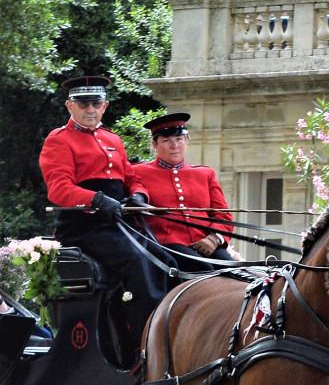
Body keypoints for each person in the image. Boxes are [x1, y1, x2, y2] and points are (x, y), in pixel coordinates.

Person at [38, 76, 169, 348]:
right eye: (83, 103)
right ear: (69, 106)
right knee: (137, 261)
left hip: (120, 221)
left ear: (105, 106)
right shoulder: (59, 139)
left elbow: (131, 177)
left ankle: (170, 327)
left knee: (165, 259)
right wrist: (97, 199)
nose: (90, 109)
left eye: (95, 103)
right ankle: (145, 343)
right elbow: (59, 189)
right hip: (84, 226)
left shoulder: (112, 139)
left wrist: (138, 196)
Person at [133, 112, 240, 272]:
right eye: (166, 140)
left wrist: (213, 239)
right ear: (155, 145)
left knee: (236, 272)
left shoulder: (205, 174)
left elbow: (223, 215)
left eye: (179, 139)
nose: (174, 145)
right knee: (203, 271)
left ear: (187, 140)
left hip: (206, 244)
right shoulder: (138, 172)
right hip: (167, 245)